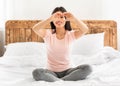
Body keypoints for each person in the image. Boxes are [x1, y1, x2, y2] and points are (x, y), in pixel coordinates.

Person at [32, 6, 92, 82]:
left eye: (61, 17)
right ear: (52, 20)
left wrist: (73, 18)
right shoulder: (48, 34)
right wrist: (50, 18)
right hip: (51, 72)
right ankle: (62, 81)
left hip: (68, 71)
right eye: (56, 17)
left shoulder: (71, 35)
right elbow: (35, 28)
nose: (58, 20)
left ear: (66, 19)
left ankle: (59, 81)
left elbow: (85, 29)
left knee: (88, 68)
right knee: (36, 73)